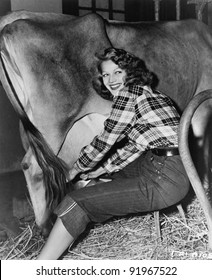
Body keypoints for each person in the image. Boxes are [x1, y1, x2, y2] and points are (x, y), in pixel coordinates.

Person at [37, 48, 190, 260]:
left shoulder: (129, 94)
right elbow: (134, 147)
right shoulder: (150, 94)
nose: (111, 80)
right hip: (172, 168)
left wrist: (76, 168)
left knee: (76, 202)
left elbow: (105, 140)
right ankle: (77, 217)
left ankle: (37, 267)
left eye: (118, 72)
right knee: (107, 175)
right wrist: (102, 169)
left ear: (131, 72)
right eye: (106, 75)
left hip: (164, 178)